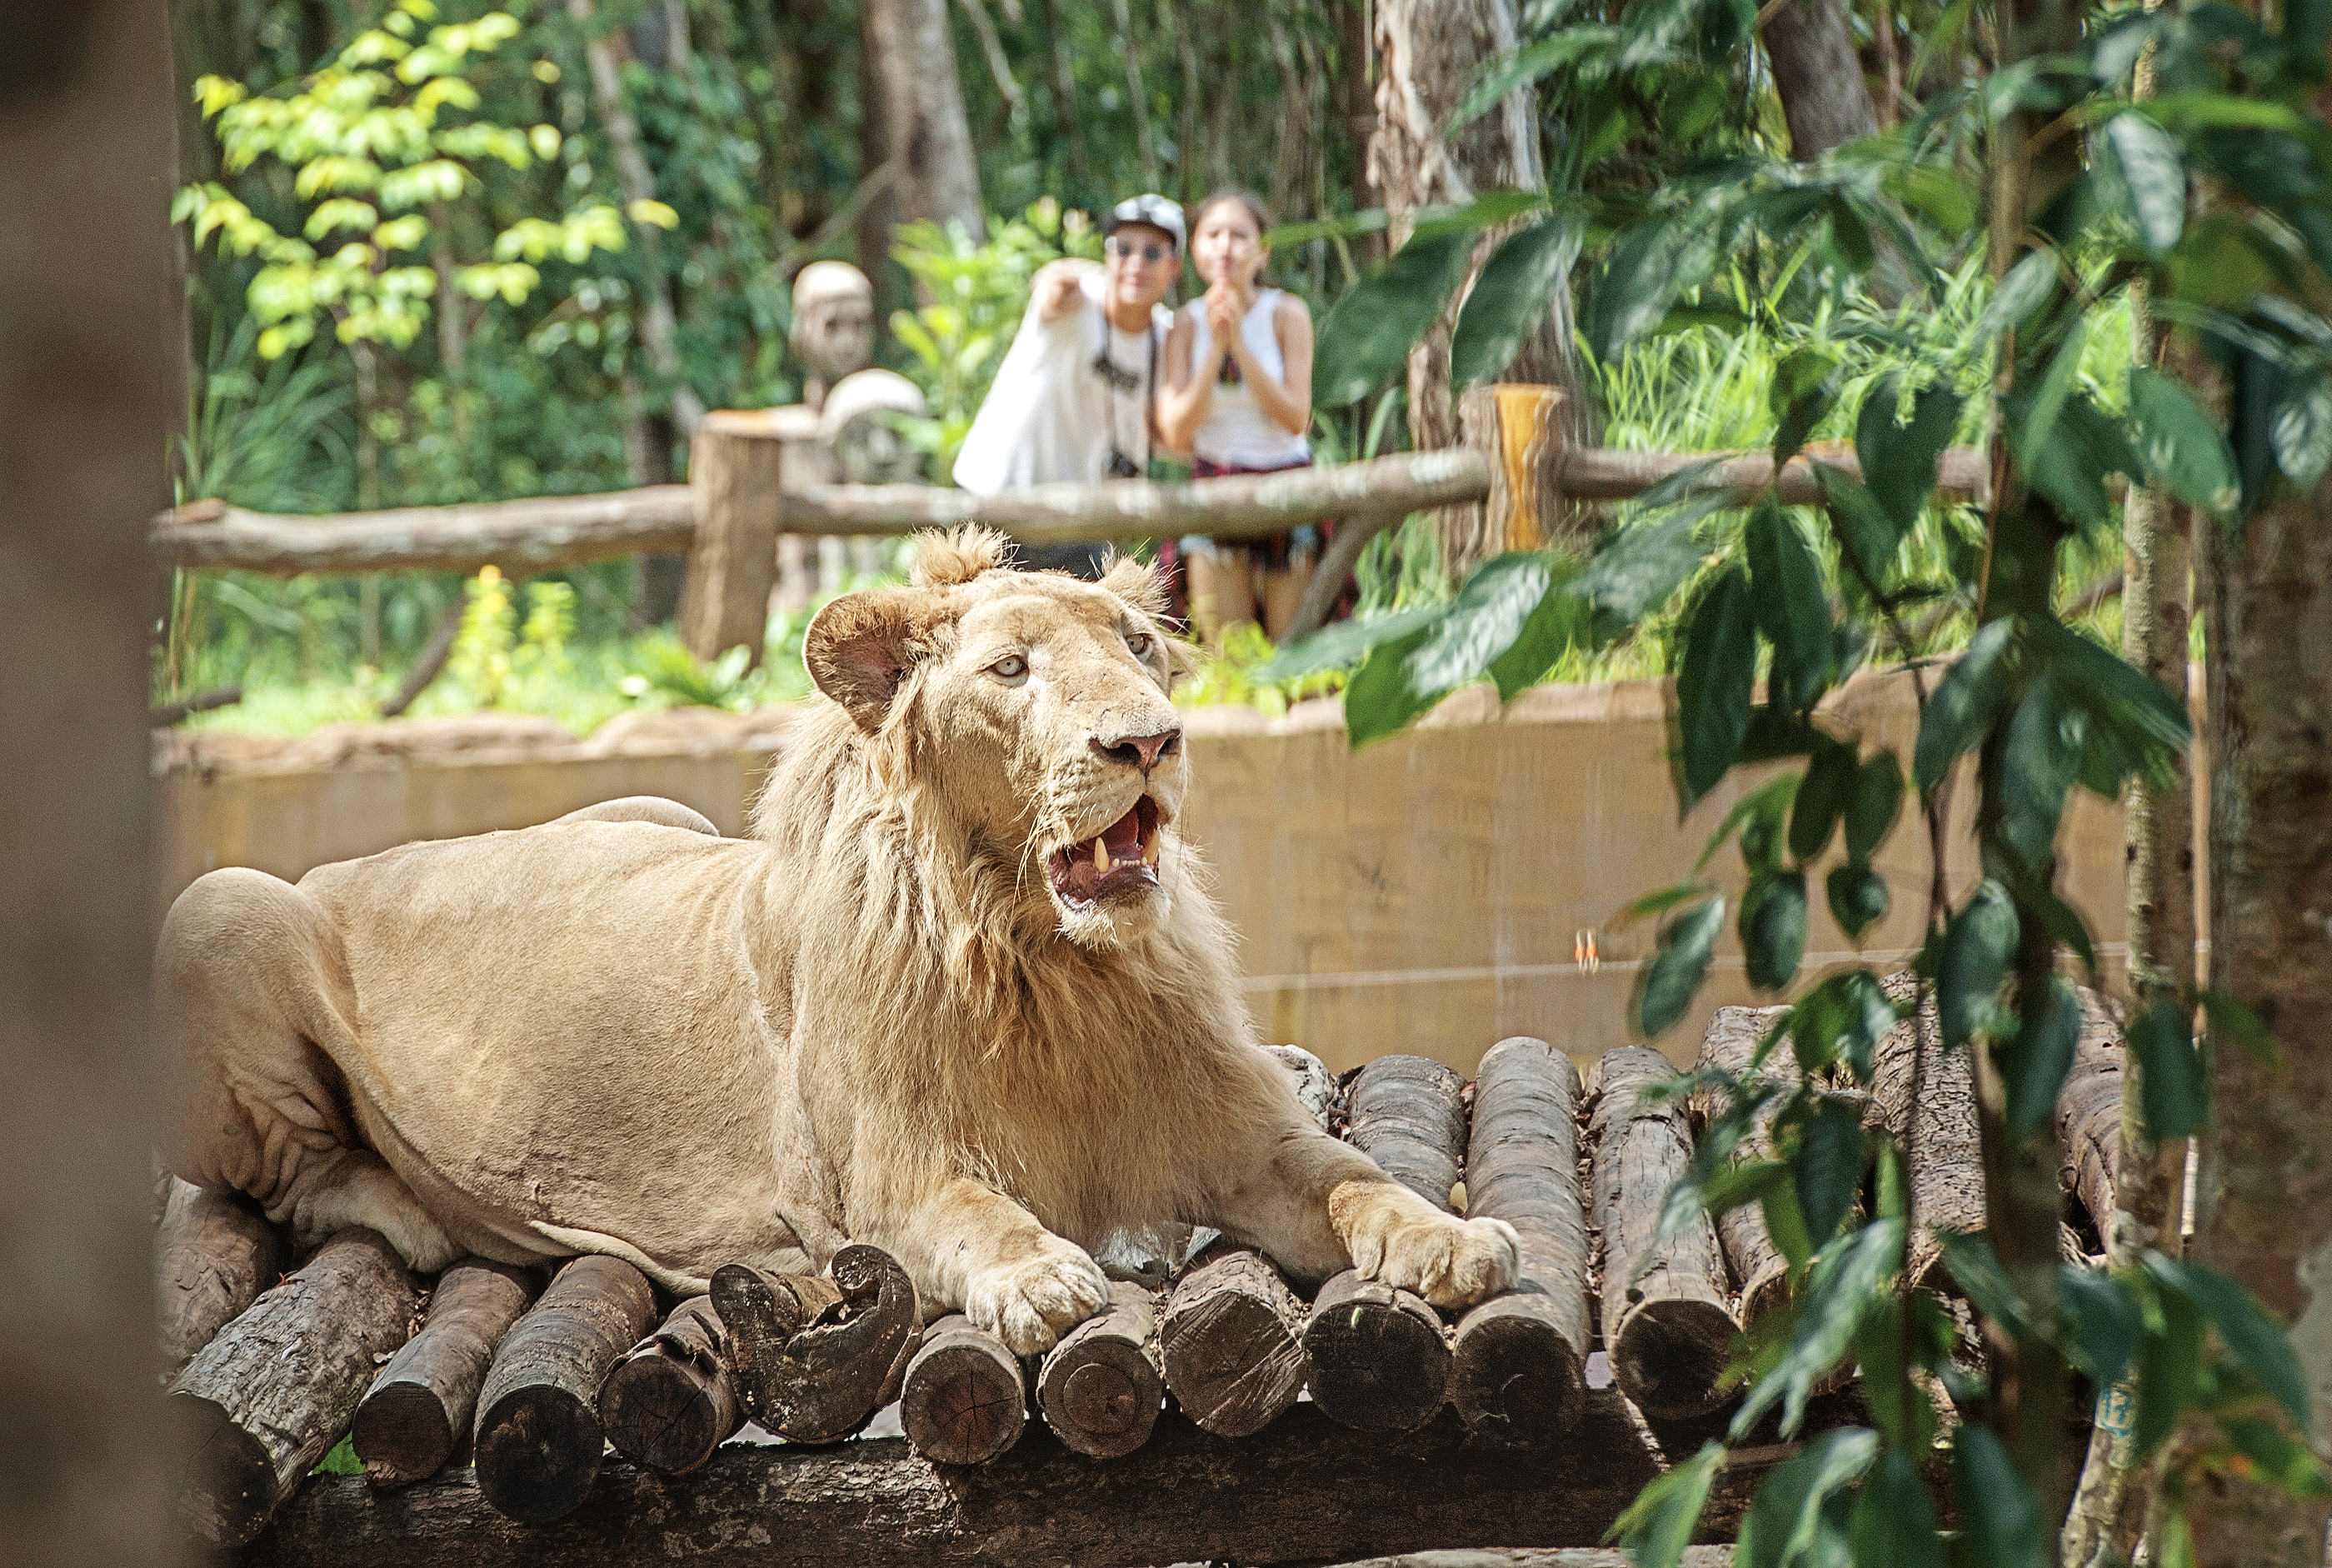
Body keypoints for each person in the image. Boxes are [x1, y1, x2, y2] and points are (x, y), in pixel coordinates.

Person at [953, 194, 1185, 577]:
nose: (1136, 264)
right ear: (1106, 256)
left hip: (1081, 520)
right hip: (998, 499)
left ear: (1175, 265)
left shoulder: (1168, 337)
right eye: (1123, 248)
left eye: (1153, 253)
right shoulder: (1077, 300)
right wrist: (1079, 274)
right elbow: (1051, 284)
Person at [1156, 189, 1321, 645]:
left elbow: (1296, 418)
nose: (1225, 246)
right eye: (1212, 235)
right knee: (1228, 657)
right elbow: (1175, 429)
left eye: (1239, 235)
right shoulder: (1184, 325)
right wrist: (1214, 353)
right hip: (1215, 492)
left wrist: (1239, 347)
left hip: (1285, 487)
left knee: (1294, 653)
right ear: (1195, 250)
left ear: (1263, 251)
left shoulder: (1286, 315)